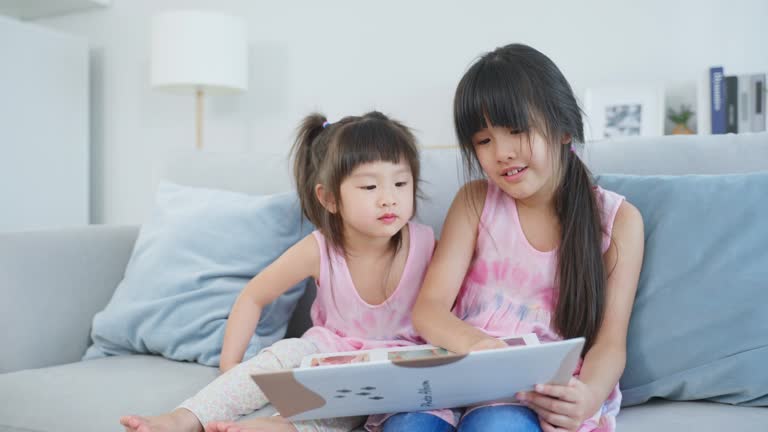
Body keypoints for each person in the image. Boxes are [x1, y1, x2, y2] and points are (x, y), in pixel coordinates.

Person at [372, 43, 645, 432]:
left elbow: (610, 343)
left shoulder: (619, 221)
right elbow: (429, 309)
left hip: (533, 393)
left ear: (565, 127)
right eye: (484, 141)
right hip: (456, 370)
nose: (501, 153)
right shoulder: (474, 201)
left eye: (518, 131)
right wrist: (482, 348)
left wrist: (588, 395)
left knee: (497, 425)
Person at [121, 111, 435, 432]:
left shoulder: (426, 243)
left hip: (396, 364)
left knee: (342, 406)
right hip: (329, 353)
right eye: (369, 186)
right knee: (286, 353)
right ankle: (182, 418)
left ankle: (280, 426)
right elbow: (254, 296)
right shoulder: (320, 248)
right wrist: (231, 365)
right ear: (329, 199)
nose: (389, 199)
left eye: (400, 183)